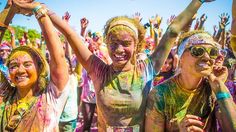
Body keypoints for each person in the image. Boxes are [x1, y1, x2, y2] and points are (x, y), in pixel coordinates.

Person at [38, 0, 211, 131]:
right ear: (107, 43)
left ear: (136, 45)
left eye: (126, 43)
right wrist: (41, 10)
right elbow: (70, 34)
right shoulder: (98, 71)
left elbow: (172, 31)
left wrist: (198, 1)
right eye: (113, 43)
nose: (119, 49)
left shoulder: (147, 69)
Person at [0, 0, 71, 131]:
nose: (20, 70)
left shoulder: (50, 96)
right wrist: (8, 10)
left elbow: (58, 56)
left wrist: (37, 9)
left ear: (39, 68)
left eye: (27, 64)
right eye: (14, 66)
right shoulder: (5, 95)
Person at [145, 30, 236, 131]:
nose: (207, 57)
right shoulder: (160, 94)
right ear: (181, 58)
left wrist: (220, 88)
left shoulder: (213, 88)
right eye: (197, 51)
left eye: (212, 52)